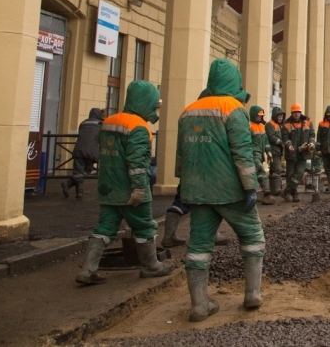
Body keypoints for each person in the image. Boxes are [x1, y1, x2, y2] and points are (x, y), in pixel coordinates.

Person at [176, 59, 265, 321]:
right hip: (230, 191)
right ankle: (252, 294)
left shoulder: (188, 110)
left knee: (199, 246)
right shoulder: (234, 109)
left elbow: (181, 155)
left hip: (197, 191)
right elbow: (242, 153)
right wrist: (251, 187)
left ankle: (199, 305)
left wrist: (184, 183)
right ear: (234, 82)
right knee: (252, 237)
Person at [75, 81, 174, 285]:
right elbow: (136, 162)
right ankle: (151, 266)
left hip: (108, 188)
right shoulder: (139, 127)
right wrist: (139, 187)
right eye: (155, 104)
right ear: (145, 102)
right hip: (130, 189)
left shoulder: (109, 121)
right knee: (145, 227)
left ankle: (88, 270)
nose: (156, 109)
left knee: (104, 228)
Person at [62, 108, 103, 198]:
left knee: (78, 171)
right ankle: (76, 190)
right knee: (88, 170)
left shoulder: (83, 123)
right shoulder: (100, 124)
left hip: (79, 149)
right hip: (92, 151)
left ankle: (72, 187)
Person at [281, 104, 313, 202]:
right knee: (290, 174)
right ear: (292, 113)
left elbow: (312, 134)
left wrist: (312, 142)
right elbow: (285, 138)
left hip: (303, 154)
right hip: (292, 153)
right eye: (295, 112)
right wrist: (289, 145)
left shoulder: (307, 122)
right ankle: (294, 193)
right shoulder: (286, 124)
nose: (296, 114)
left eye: (298, 112)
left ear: (300, 112)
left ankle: (286, 191)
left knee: (299, 173)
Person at [249, 106, 274, 205]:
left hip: (260, 154)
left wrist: (268, 151)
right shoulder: (249, 126)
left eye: (261, 116)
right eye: (259, 116)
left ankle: (262, 192)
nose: (260, 118)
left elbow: (266, 140)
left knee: (257, 173)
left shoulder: (262, 127)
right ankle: (265, 189)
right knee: (259, 170)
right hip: (253, 154)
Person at [315, 105, 330, 193]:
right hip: (325, 150)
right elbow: (319, 136)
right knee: (328, 168)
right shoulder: (321, 124)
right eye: (328, 115)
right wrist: (318, 148)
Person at [265, 107, 285, 201]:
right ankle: (276, 189)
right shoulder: (270, 125)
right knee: (276, 169)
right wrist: (281, 142)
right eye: (279, 116)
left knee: (274, 170)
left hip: (278, 151)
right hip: (273, 151)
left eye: (281, 116)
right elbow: (271, 137)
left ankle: (274, 189)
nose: (280, 118)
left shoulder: (279, 125)